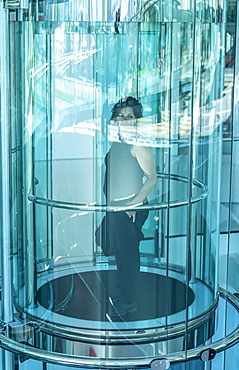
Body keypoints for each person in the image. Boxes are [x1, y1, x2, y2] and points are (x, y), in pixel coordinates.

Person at [104, 96, 157, 318]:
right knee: (119, 253)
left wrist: (133, 206)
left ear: (137, 120)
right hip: (116, 208)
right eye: (121, 116)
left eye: (130, 116)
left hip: (130, 209)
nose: (125, 120)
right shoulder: (117, 141)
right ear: (114, 119)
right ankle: (121, 288)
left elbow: (152, 179)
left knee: (129, 255)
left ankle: (128, 301)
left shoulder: (138, 144)